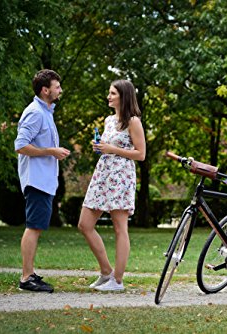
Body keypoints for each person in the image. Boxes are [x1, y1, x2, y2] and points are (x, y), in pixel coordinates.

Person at [78, 79, 146, 292]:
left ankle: (117, 280)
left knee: (120, 228)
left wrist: (112, 149)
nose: (108, 97)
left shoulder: (133, 121)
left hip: (121, 176)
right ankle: (106, 272)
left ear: (123, 96)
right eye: (109, 93)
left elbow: (141, 154)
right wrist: (100, 147)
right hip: (103, 174)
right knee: (84, 224)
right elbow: (108, 147)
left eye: (112, 93)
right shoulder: (108, 120)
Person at [14, 69, 71, 292]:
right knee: (33, 227)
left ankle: (30, 273)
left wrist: (52, 152)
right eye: (57, 87)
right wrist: (51, 151)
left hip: (44, 180)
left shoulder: (46, 112)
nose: (60, 90)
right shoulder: (35, 113)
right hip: (36, 180)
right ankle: (26, 277)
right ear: (45, 90)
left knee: (36, 226)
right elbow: (20, 145)